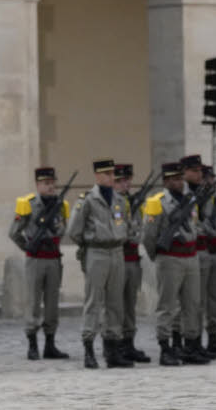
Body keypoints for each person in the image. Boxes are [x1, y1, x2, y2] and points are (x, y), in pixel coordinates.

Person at [67, 158, 134, 369]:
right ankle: (89, 349)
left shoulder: (119, 199)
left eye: (112, 173)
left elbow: (126, 224)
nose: (111, 177)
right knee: (93, 302)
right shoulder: (87, 199)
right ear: (97, 176)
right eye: (106, 174)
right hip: (96, 252)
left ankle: (112, 350)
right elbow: (74, 230)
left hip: (116, 252)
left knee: (115, 303)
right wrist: (90, 243)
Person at [140, 162, 207, 366]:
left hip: (191, 257)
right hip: (169, 258)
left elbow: (194, 228)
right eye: (174, 179)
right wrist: (159, 257)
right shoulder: (156, 202)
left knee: (192, 304)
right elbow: (149, 237)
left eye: (180, 178)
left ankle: (190, 344)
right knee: (167, 306)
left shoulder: (190, 201)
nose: (178, 182)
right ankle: (165, 347)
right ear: (166, 181)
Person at [8, 166, 70, 361]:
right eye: (46, 183)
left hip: (53, 259)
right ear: (38, 184)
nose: (50, 186)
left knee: (52, 304)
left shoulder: (62, 205)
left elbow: (63, 229)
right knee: (33, 302)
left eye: (52, 183)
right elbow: (14, 232)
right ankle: (32, 345)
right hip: (36, 259)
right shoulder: (29, 204)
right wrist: (28, 247)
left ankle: (50, 344)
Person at [186, 158, 216, 356]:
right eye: (206, 177)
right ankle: (196, 340)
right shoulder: (193, 197)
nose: (209, 181)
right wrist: (212, 230)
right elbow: (197, 224)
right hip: (201, 251)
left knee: (214, 299)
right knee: (198, 301)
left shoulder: (214, 198)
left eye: (211, 178)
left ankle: (213, 338)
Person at [114, 163, 149, 363]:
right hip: (117, 259)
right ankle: (114, 344)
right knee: (115, 305)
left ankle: (129, 343)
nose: (125, 184)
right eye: (120, 180)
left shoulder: (133, 203)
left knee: (130, 304)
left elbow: (140, 227)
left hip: (133, 259)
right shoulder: (111, 203)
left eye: (127, 180)